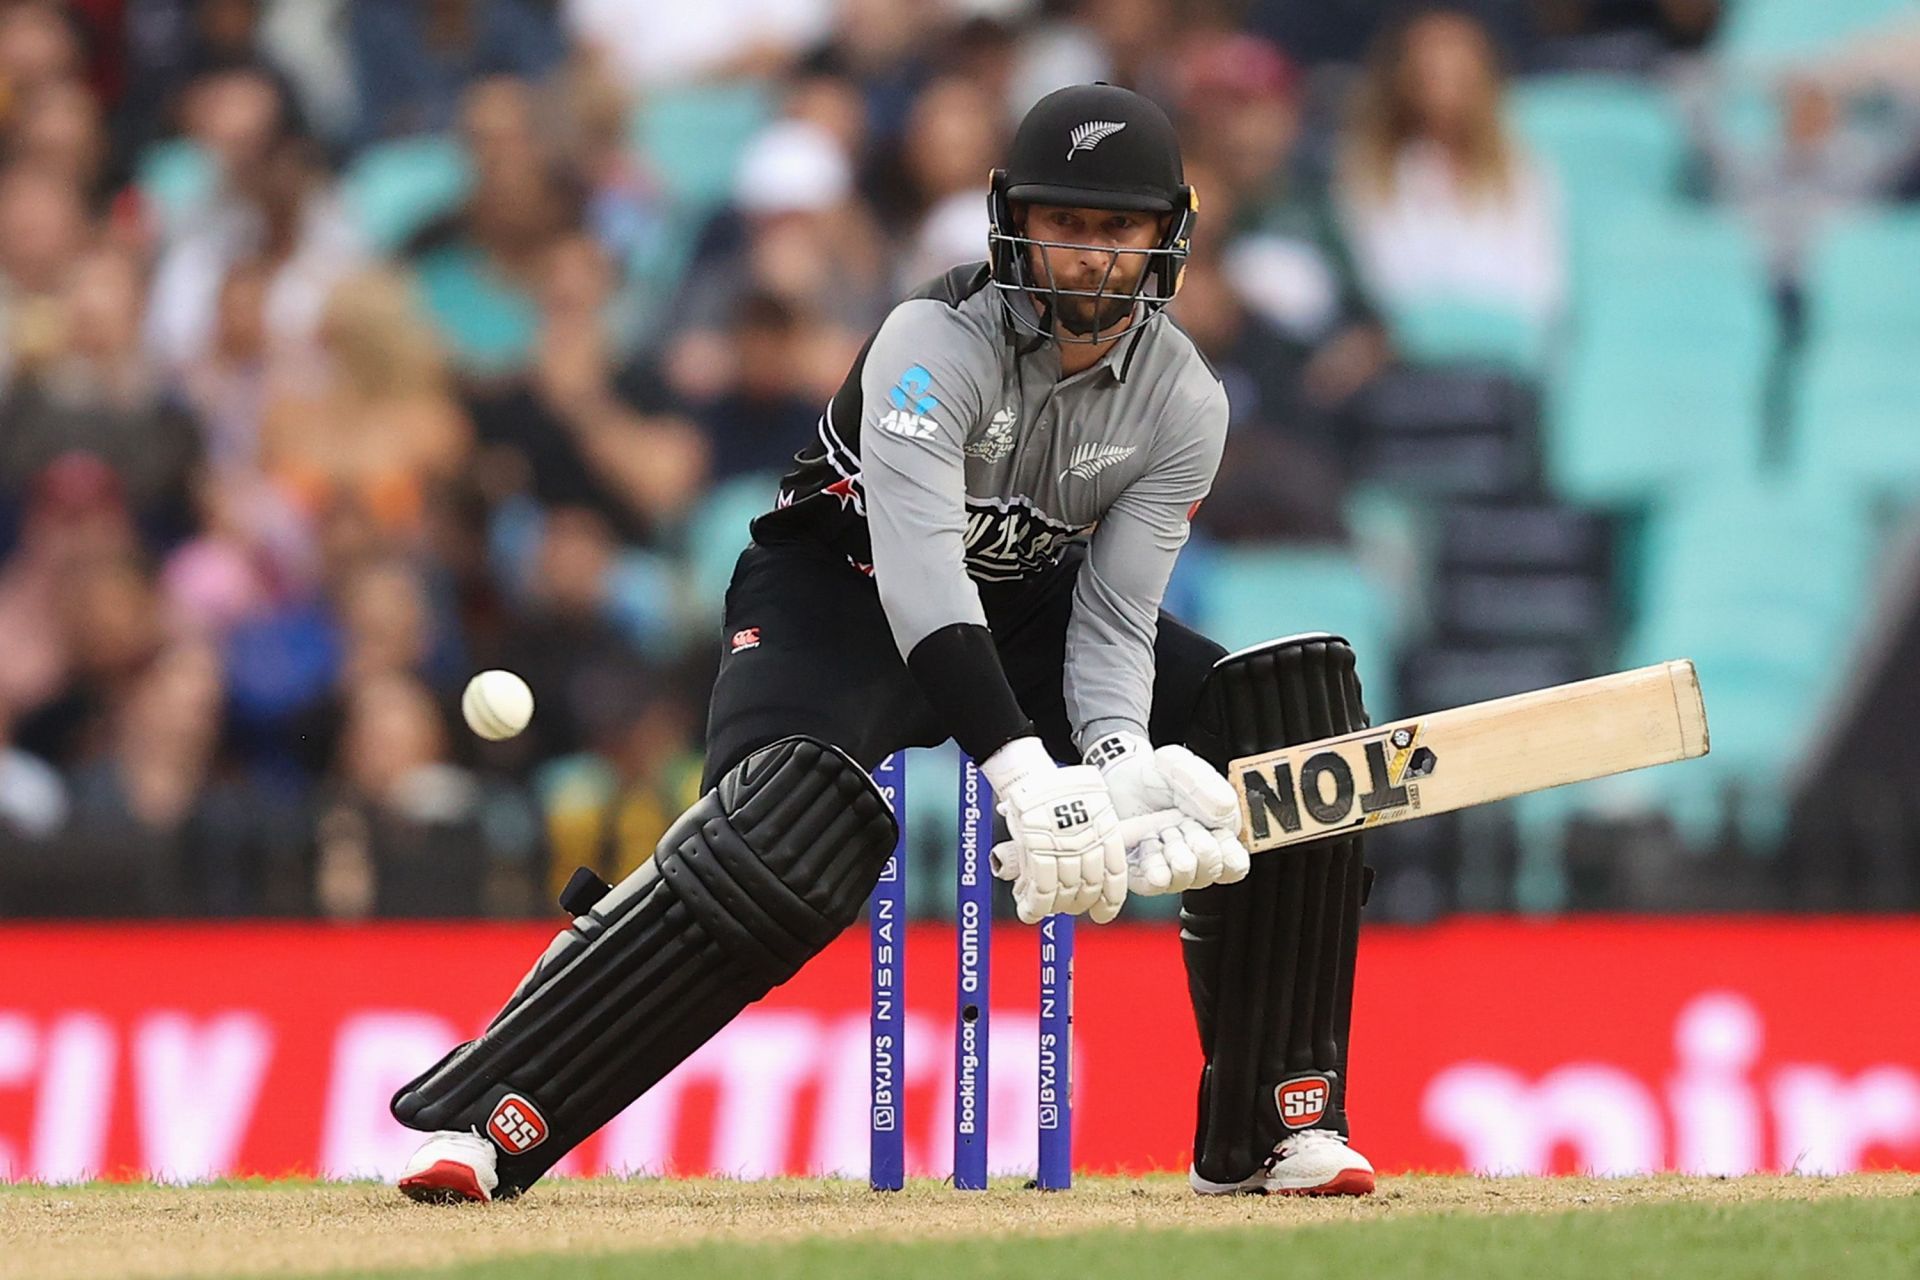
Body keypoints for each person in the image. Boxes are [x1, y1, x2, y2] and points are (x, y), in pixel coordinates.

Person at [388, 83, 1380, 1203]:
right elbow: (922, 588)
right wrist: (1026, 778)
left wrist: (1111, 764)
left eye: (1117, 229)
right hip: (837, 600)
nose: (1089, 255)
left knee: (1285, 708)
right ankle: (490, 1115)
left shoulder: (1184, 401)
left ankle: (1276, 1121)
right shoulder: (928, 343)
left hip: (1031, 616)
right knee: (785, 832)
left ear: (1167, 237)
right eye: (1064, 222)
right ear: (1013, 220)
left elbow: (1110, 617)